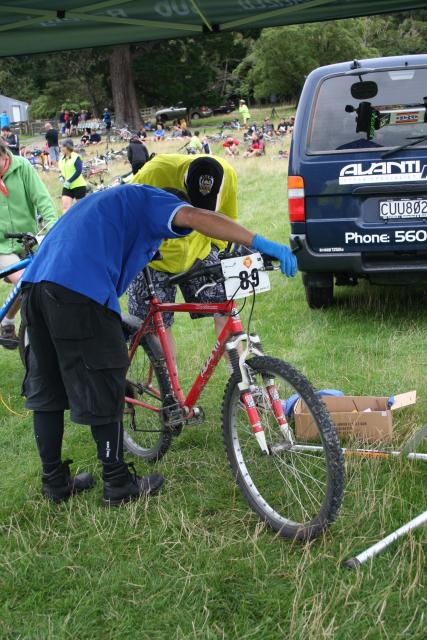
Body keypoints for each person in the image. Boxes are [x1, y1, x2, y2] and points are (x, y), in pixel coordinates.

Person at [20, 182, 296, 506]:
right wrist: (260, 242)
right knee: (107, 382)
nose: (170, 235)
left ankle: (54, 482)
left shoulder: (114, 203)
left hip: (36, 288)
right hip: (78, 290)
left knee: (48, 391)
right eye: (171, 230)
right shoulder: (155, 201)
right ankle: (117, 482)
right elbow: (197, 216)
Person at [129, 155, 238, 362]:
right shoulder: (153, 173)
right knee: (158, 326)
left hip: (199, 251)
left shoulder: (228, 174)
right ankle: (171, 388)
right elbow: (129, 214)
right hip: (155, 257)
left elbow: (228, 218)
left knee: (226, 308)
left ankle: (241, 380)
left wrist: (216, 247)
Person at [0, 140, 57, 349]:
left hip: (28, 241)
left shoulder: (22, 166)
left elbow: (42, 199)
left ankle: (7, 322)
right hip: (1, 246)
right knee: (26, 281)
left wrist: (53, 226)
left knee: (42, 280)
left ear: (4, 153)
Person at [58, 139, 87, 212]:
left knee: (82, 208)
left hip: (79, 186)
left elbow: (78, 171)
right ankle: (66, 223)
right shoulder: (61, 159)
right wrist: (61, 176)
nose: (60, 149)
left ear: (67, 147)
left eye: (62, 147)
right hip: (67, 186)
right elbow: (62, 170)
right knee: (66, 207)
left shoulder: (76, 157)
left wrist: (70, 181)